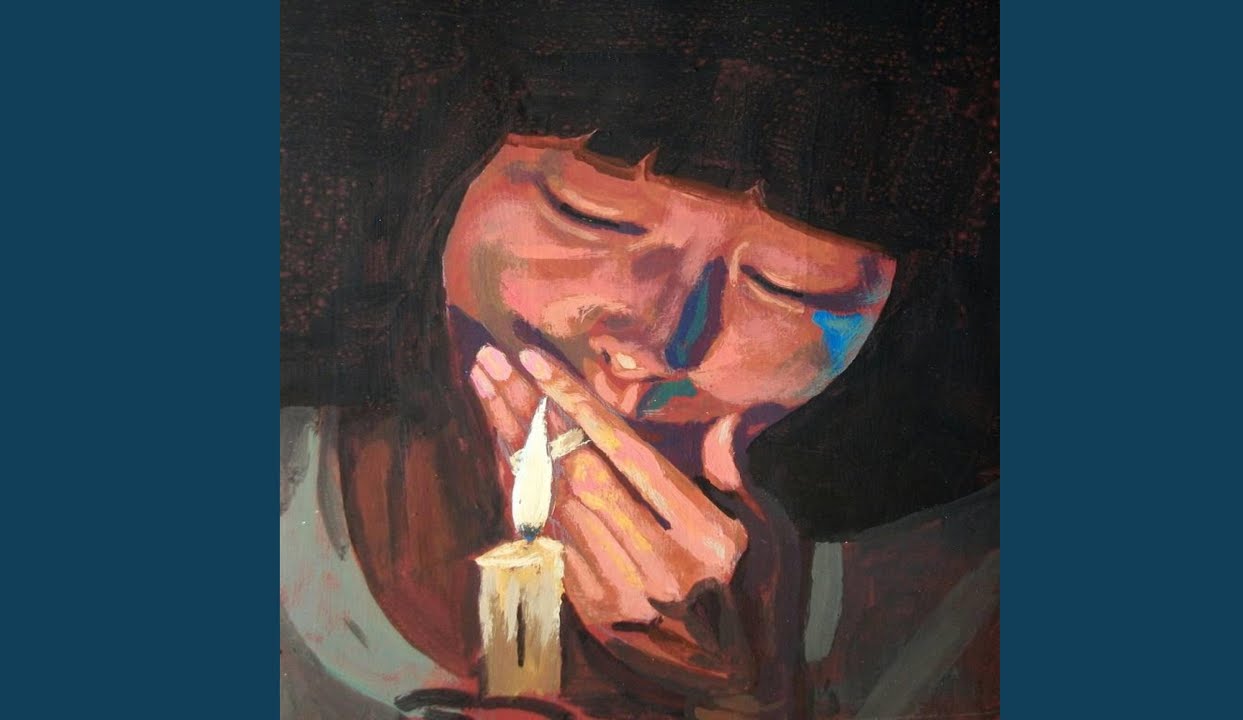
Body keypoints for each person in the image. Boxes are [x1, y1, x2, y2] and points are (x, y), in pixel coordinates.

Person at [281, 3, 999, 718]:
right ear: (441, 184)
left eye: (788, 287)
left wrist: (735, 701)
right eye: (589, 216)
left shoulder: (951, 609)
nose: (660, 344)